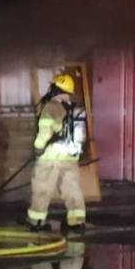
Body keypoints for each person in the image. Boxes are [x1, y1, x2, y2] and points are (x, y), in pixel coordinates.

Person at [28, 72, 90, 236]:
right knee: (71, 188)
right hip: (70, 155)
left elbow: (44, 133)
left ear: (55, 88)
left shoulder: (50, 107)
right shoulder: (74, 109)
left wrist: (38, 148)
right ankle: (77, 221)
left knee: (42, 188)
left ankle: (37, 221)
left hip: (51, 156)